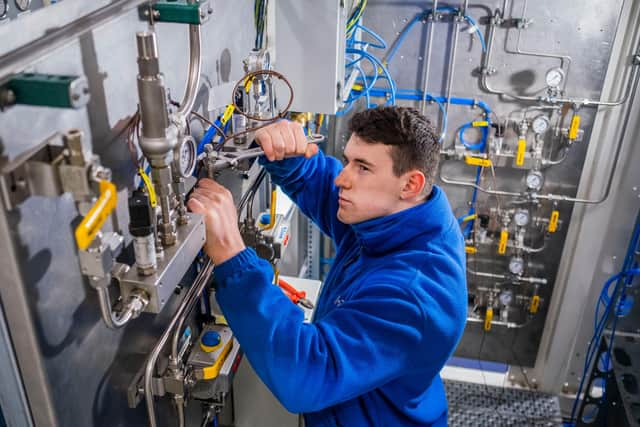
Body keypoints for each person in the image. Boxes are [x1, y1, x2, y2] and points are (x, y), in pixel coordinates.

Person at [188, 106, 467, 427]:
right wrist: (281, 148)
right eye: (348, 160)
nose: (342, 177)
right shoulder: (399, 214)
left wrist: (231, 255)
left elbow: (306, 374)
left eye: (362, 167)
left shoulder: (414, 295)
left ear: (410, 184)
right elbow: (321, 184)